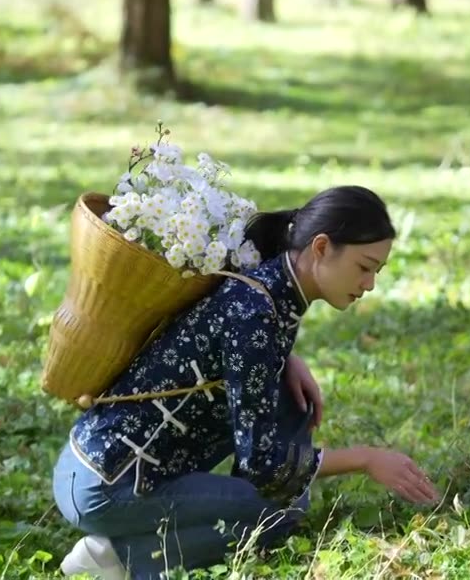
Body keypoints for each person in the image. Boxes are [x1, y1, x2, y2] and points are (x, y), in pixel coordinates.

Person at [52, 185, 440, 580]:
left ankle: (230, 512)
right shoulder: (257, 316)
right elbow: (261, 464)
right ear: (321, 247)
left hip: (103, 466)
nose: (370, 283)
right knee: (284, 511)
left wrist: (286, 359)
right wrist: (366, 458)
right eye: (364, 266)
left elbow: (231, 341)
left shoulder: (270, 290)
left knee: (292, 409)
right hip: (110, 486)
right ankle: (118, 557)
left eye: (377, 270)